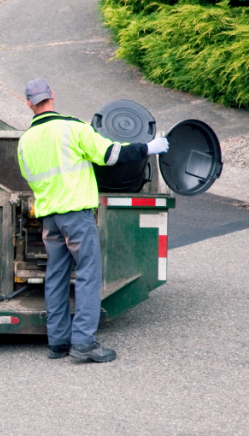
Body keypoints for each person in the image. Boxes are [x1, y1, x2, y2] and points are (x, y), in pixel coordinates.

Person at [16, 78, 168, 363]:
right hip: (76, 216)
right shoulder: (73, 128)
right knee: (87, 275)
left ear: (29, 103)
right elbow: (111, 154)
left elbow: (29, 177)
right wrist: (148, 148)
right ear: (52, 96)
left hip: (50, 220)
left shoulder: (25, 141)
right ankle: (84, 342)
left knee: (56, 277)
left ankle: (58, 342)